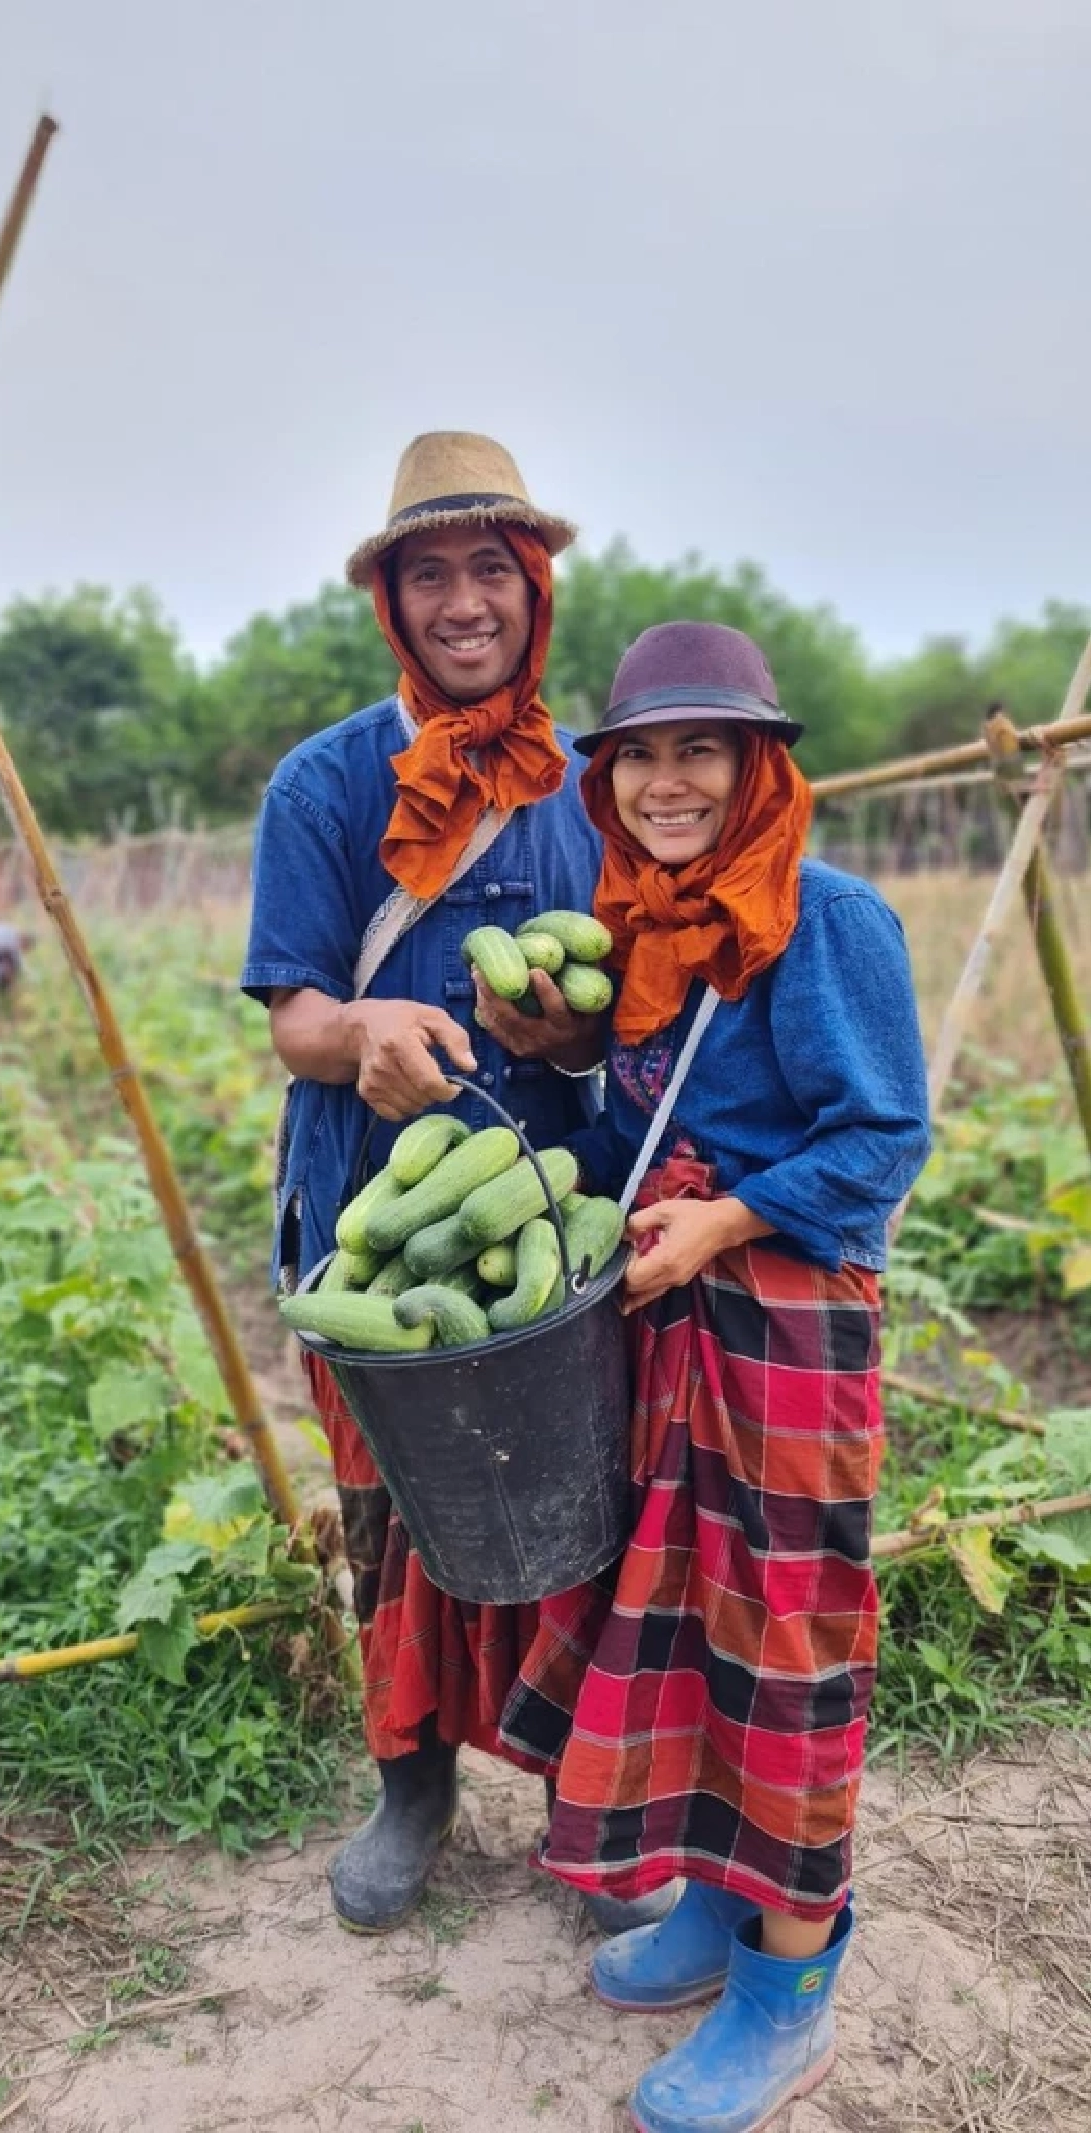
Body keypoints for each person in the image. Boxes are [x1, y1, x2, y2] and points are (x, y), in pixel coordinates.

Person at [491, 622, 931, 2133]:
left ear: (760, 766)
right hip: (669, 1326)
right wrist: (557, 1059)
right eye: (640, 756)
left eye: (703, 750)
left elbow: (883, 1139)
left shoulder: (825, 918)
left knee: (782, 1649)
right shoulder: (631, 934)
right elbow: (625, 1149)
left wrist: (735, 1214)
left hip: (786, 1334)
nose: (668, 782)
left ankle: (787, 1994)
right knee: (674, 1621)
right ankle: (706, 1903)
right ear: (604, 780)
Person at [241, 432, 669, 1939]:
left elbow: (652, 1001)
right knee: (394, 1504)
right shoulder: (326, 784)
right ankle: (412, 1786)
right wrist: (358, 1033)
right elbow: (293, 1010)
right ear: (393, 599)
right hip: (375, 1199)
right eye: (434, 573)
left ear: (534, 589)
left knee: (575, 1495)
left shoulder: (599, 788)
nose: (466, 600)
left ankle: (579, 1792)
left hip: (560, 1212)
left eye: (494, 568)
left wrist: (582, 1030)